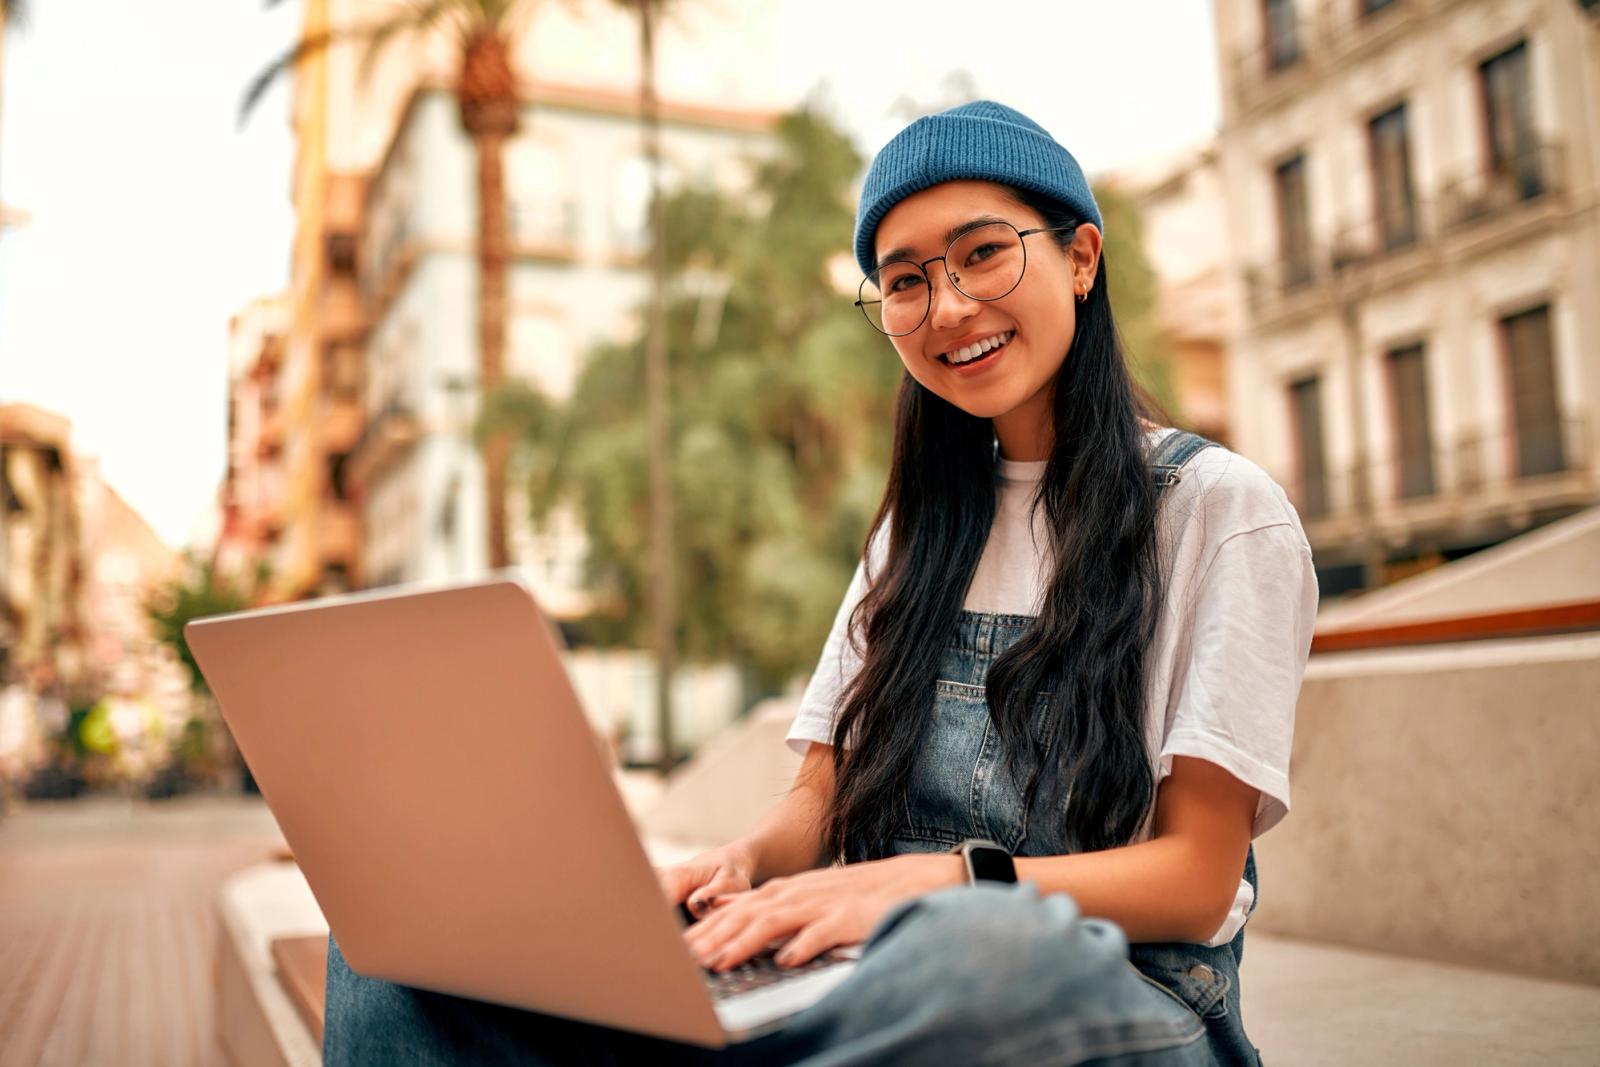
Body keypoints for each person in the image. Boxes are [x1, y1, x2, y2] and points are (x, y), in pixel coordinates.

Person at [324, 100, 1318, 1066]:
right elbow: (820, 793)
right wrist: (742, 864)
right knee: (406, 949)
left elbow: (1197, 877)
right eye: (905, 281)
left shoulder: (1217, 510)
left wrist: (942, 885)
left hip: (1115, 988)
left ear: (1081, 256)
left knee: (982, 944)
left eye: (981, 252)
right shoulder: (913, 532)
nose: (949, 306)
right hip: (872, 974)